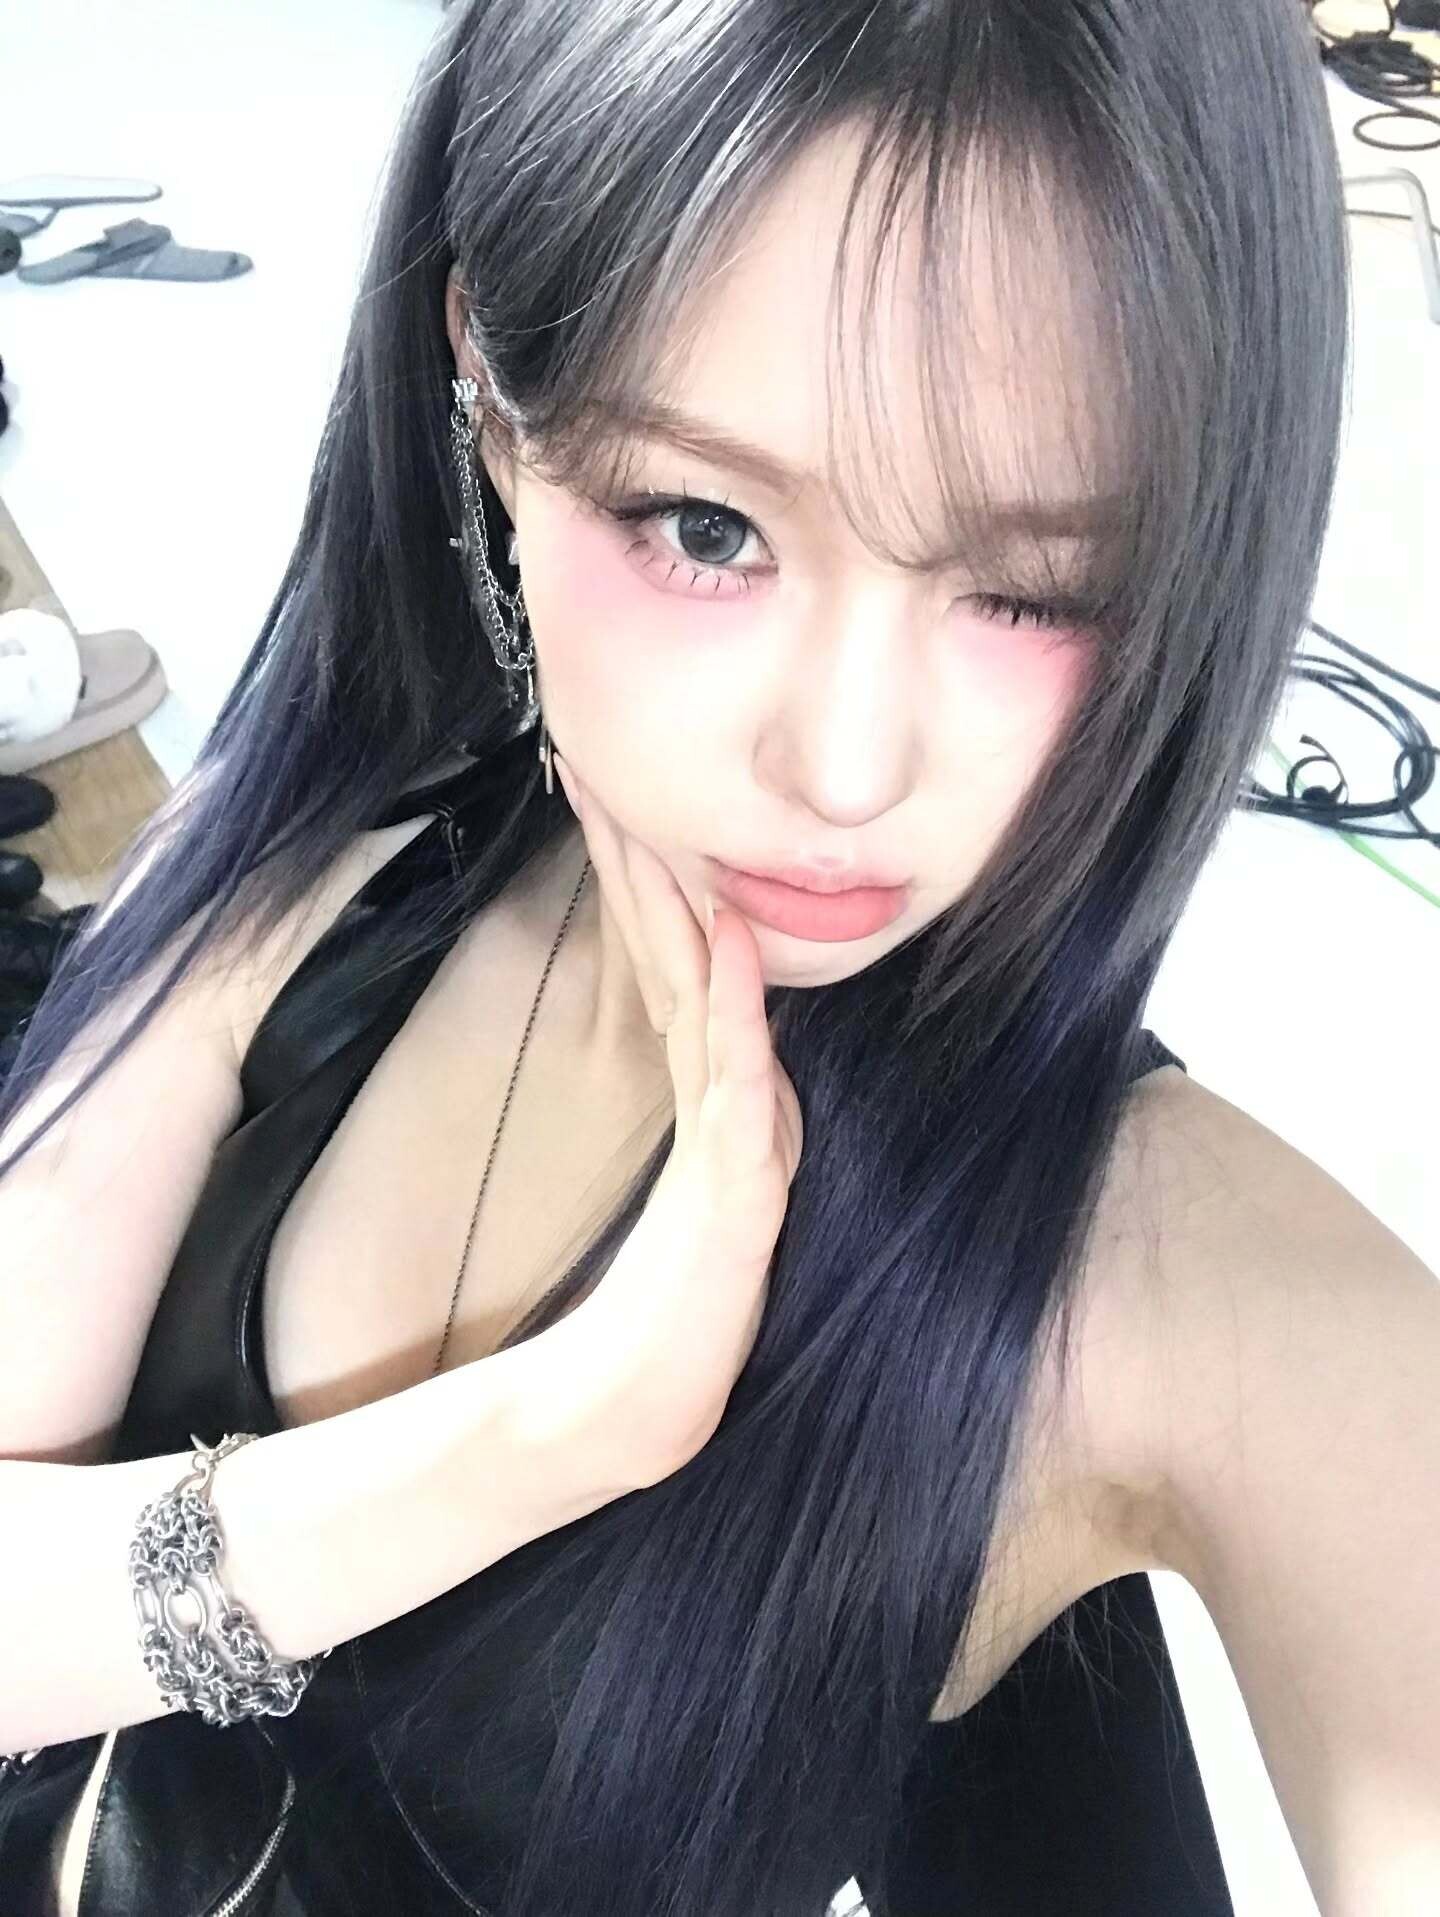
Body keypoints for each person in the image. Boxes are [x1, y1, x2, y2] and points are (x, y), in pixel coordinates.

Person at [1, 2, 1435, 1914]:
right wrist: (550, 1430)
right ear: (490, 409)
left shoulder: (1185, 1273)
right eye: (706, 525)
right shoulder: (315, 865)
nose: (845, 768)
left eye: (1032, 589)